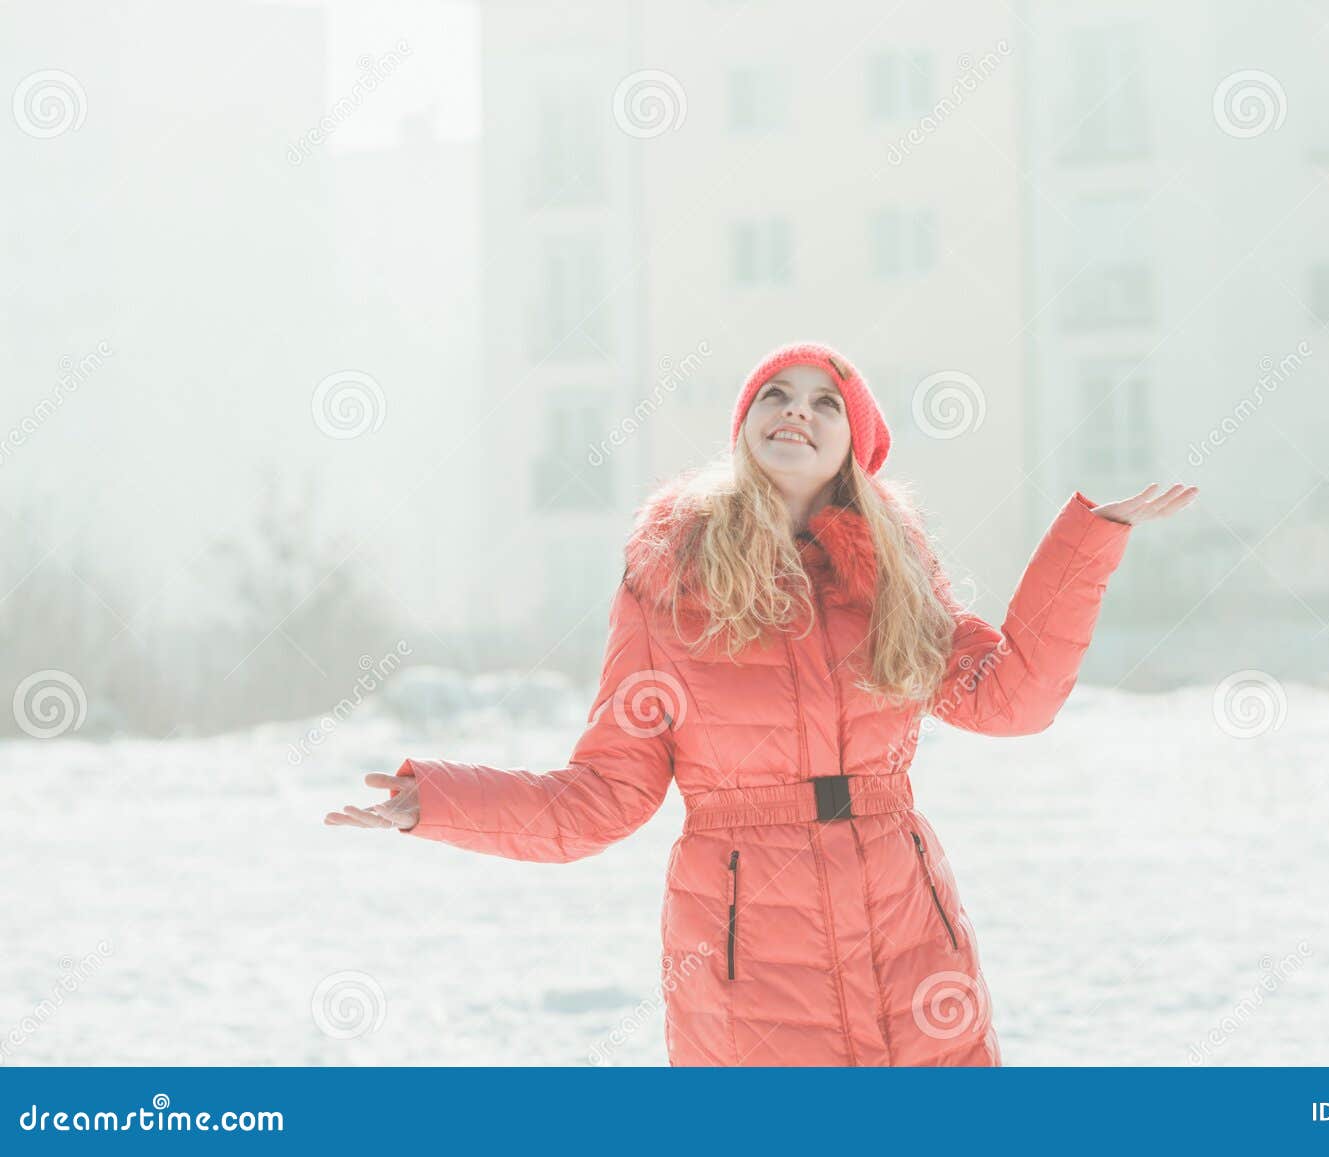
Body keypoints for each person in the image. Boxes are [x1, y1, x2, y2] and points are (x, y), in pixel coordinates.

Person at [325, 340, 1198, 1065]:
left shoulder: (894, 575)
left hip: (909, 937)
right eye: (775, 394)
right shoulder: (671, 577)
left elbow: (1011, 698)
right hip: (746, 959)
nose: (798, 410)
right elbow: (602, 797)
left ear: (854, 444)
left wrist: (1091, 539)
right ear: (743, 429)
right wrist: (432, 802)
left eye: (827, 403)